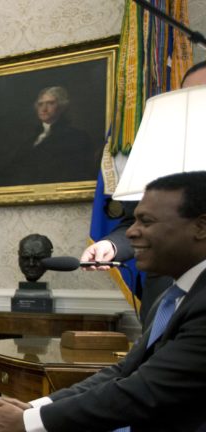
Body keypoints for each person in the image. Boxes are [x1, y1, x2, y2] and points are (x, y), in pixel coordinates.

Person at [0, 171, 206, 431]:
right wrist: (37, 407)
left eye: (146, 221)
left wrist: (26, 422)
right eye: (133, 221)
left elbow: (142, 391)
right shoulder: (171, 298)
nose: (131, 232)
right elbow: (122, 372)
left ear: (200, 227)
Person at [81, 61, 206, 323]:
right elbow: (135, 220)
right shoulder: (162, 156)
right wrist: (111, 245)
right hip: (166, 299)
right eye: (188, 97)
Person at [0, 86, 99, 186]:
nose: (44, 109)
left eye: (50, 103)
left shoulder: (77, 137)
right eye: (40, 104)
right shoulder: (29, 140)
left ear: (62, 107)